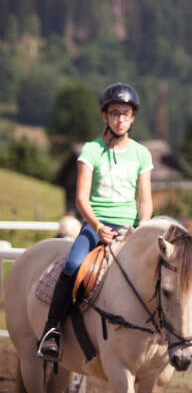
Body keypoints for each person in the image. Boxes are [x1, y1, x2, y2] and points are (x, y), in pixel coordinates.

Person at [37, 83, 153, 361]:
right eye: (114, 113)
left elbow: (146, 199)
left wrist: (142, 229)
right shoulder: (91, 150)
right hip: (95, 225)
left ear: (133, 117)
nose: (120, 119)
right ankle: (51, 330)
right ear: (104, 115)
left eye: (125, 113)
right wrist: (98, 227)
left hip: (130, 228)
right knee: (73, 264)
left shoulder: (142, 153)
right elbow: (81, 198)